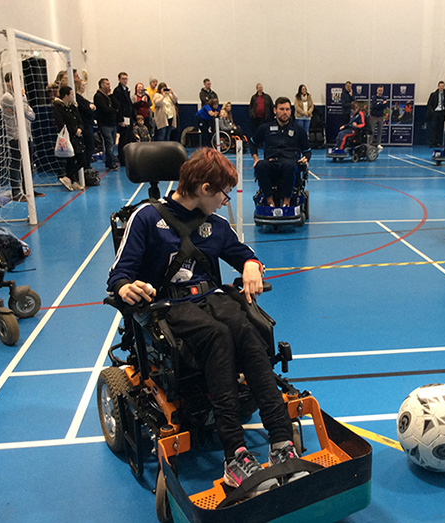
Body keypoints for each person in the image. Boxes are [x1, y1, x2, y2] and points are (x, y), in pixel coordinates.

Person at [107, 147, 306, 496]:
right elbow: (119, 274)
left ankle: (280, 441)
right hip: (168, 306)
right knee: (217, 336)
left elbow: (244, 254)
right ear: (202, 188)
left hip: (211, 297)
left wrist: (249, 264)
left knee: (246, 329)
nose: (225, 201)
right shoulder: (145, 218)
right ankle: (235, 457)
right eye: (223, 193)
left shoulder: (215, 225)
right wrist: (126, 287)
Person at [249, 97, 311, 207]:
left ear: (290, 111)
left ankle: (286, 202)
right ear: (275, 110)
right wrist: (255, 159)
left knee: (289, 166)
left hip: (289, 163)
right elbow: (253, 142)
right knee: (260, 166)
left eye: (287, 109)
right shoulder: (265, 128)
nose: (285, 112)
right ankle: (270, 201)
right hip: (271, 162)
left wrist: (306, 158)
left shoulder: (299, 130)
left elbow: (307, 151)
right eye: (281, 109)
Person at [1, 72, 44, 200]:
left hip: (27, 136)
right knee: (16, 164)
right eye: (15, 81)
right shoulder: (7, 98)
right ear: (8, 83)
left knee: (28, 165)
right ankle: (16, 192)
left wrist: (22, 102)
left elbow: (31, 115)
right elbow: (23, 110)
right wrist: (23, 97)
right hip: (15, 136)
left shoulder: (19, 98)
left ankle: (28, 189)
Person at [51, 85, 85, 191]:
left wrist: (79, 128)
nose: (73, 96)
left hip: (77, 137)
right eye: (71, 94)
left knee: (81, 159)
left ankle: (70, 178)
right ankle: (71, 179)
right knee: (71, 159)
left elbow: (79, 119)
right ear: (66, 95)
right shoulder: (58, 108)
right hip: (67, 137)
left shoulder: (72, 107)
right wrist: (74, 130)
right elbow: (62, 123)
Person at [94, 77, 120, 170]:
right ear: (102, 85)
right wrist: (114, 110)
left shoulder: (109, 96)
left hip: (112, 123)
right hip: (105, 124)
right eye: (107, 84)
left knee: (112, 144)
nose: (109, 86)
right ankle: (112, 162)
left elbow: (117, 105)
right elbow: (105, 109)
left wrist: (111, 96)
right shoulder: (98, 96)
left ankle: (109, 162)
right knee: (109, 144)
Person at [76, 80, 98, 174]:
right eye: (83, 85)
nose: (84, 87)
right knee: (89, 146)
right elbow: (86, 109)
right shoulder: (78, 98)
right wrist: (90, 107)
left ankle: (87, 165)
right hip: (84, 125)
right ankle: (85, 167)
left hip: (88, 123)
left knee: (91, 146)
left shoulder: (82, 98)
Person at [113, 72, 135, 166]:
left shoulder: (126, 90)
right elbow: (118, 107)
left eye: (126, 79)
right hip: (123, 118)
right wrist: (121, 120)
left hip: (129, 117)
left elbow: (129, 105)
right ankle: (122, 159)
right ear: (119, 79)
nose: (125, 80)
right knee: (123, 140)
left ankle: (128, 157)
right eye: (123, 79)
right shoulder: (117, 91)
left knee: (129, 138)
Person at [425, 81, 445, 147]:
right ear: (438, 86)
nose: (441, 88)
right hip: (435, 112)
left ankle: (437, 142)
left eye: (442, 86)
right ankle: (432, 141)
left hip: (442, 112)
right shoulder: (433, 94)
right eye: (440, 86)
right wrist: (432, 112)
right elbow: (429, 104)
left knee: (439, 128)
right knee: (434, 128)